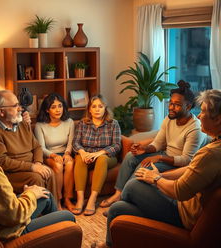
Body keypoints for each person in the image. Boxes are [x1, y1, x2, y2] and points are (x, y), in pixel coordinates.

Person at [101, 89, 221, 247]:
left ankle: (127, 198)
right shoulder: (215, 144)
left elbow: (180, 190)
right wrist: (161, 175)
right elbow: (191, 168)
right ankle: (109, 244)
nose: (199, 116)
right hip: (181, 203)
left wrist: (155, 179)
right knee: (118, 208)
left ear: (218, 119)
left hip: (183, 214)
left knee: (133, 185)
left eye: (203, 111)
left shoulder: (210, 152)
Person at [0, 98, 75, 242]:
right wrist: (29, 194)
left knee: (45, 195)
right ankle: (55, 234)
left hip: (1, 218)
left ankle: (53, 238)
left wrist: (30, 193)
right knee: (67, 218)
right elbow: (14, 215)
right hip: (11, 232)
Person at [100, 80, 207, 208]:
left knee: (143, 166)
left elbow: (186, 160)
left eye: (176, 105)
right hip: (165, 154)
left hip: (176, 165)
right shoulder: (169, 119)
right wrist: (144, 148)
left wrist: (158, 157)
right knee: (130, 157)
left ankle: (125, 200)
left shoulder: (194, 129)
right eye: (170, 103)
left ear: (188, 107)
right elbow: (158, 143)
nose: (171, 108)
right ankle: (118, 194)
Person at [0, 90, 56, 197]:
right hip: (10, 173)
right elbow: (2, 161)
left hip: (30, 166)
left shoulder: (22, 123)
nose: (20, 109)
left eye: (18, 104)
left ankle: (52, 208)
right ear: (1, 112)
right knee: (36, 178)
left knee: (49, 172)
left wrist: (38, 163)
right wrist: (31, 167)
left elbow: (37, 146)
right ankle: (37, 212)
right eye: (15, 106)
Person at [72, 94, 121, 216]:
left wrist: (100, 153)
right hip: (87, 154)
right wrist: (83, 153)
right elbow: (76, 143)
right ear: (89, 109)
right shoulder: (83, 124)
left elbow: (117, 145)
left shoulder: (113, 123)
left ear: (105, 108)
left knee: (102, 160)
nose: (97, 109)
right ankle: (80, 199)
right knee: (79, 158)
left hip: (107, 156)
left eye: (100, 106)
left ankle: (92, 199)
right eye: (94, 106)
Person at [34, 93, 74, 211]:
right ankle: (57, 200)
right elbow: (41, 147)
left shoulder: (69, 122)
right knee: (58, 165)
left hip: (65, 153)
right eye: (53, 107)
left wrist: (67, 153)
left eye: (60, 106)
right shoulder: (40, 125)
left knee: (70, 164)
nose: (58, 110)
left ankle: (68, 199)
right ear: (47, 110)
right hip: (48, 154)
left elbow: (70, 143)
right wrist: (53, 155)